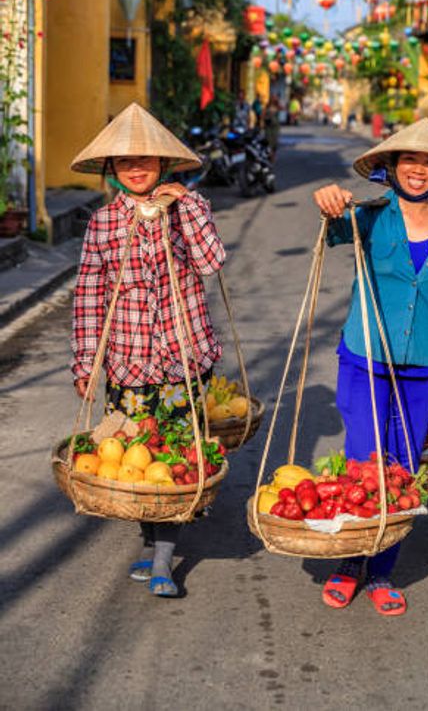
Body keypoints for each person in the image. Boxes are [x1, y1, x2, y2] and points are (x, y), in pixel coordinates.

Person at [312, 117, 428, 617]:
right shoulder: (371, 216)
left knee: (403, 470)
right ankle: (349, 563)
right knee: (365, 462)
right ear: (390, 167)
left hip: (423, 369)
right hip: (364, 360)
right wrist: (327, 203)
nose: (418, 169)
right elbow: (333, 230)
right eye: (410, 159)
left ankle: (383, 570)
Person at [70, 102, 226, 598]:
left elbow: (211, 262)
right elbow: (91, 298)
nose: (136, 169)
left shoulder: (189, 209)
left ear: (164, 164)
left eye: (146, 161)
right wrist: (86, 362)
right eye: (124, 162)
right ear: (112, 171)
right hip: (128, 365)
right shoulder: (103, 224)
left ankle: (163, 557)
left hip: (182, 360)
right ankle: (149, 541)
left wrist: (186, 206)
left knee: (177, 458)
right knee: (137, 456)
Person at [262, 97, 281, 161]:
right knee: (268, 141)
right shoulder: (267, 107)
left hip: (275, 127)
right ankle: (270, 155)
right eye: (272, 100)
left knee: (274, 142)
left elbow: (281, 111)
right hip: (268, 127)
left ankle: (273, 154)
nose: (273, 101)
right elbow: (263, 115)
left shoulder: (277, 107)